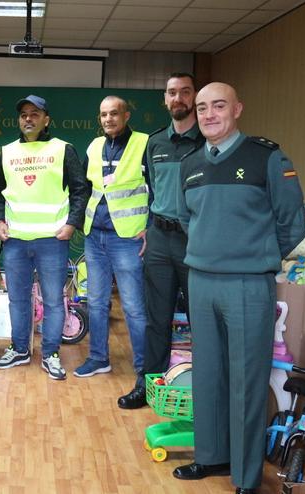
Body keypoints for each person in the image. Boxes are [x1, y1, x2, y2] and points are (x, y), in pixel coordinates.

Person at [173, 82, 305, 494]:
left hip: (248, 284)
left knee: (247, 380)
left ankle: (246, 477)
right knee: (208, 375)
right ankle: (210, 455)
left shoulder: (265, 158)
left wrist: (256, 254)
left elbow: (293, 224)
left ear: (237, 109)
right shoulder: (190, 164)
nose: (210, 114)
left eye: (219, 106)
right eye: (202, 107)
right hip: (201, 280)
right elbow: (185, 220)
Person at [119, 72, 205, 409]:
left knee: (202, 320)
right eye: (172, 93)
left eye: (185, 92)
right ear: (164, 99)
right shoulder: (154, 143)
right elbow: (153, 190)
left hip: (195, 244)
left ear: (194, 97)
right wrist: (150, 225)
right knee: (156, 318)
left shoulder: (208, 142)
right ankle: (149, 385)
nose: (178, 99)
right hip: (159, 240)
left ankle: (204, 391)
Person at [0, 95, 88, 380]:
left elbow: (80, 190)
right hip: (17, 240)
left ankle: (50, 354)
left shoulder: (63, 150)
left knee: (54, 301)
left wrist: (72, 224)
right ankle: (20, 349)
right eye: (23, 114)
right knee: (18, 300)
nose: (28, 119)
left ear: (46, 119)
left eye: (35, 114)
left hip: (52, 240)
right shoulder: (6, 151)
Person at [74, 96, 148, 385]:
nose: (108, 119)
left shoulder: (143, 143)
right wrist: (79, 222)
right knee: (96, 302)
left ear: (126, 115)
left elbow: (158, 189)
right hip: (96, 236)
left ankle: (143, 368)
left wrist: (151, 228)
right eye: (103, 114)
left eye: (114, 114)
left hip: (128, 237)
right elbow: (83, 186)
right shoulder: (94, 146)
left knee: (133, 307)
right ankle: (98, 358)